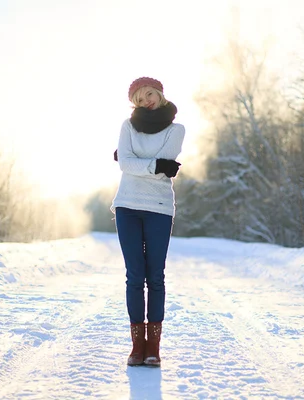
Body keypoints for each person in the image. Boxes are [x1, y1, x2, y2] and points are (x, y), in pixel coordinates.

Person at [111, 76, 185, 367]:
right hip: (127, 205)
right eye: (139, 99)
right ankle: (136, 346)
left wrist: (131, 160)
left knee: (155, 276)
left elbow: (135, 161)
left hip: (159, 207)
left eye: (149, 94)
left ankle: (153, 347)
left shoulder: (176, 129)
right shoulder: (127, 126)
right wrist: (155, 165)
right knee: (134, 275)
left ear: (160, 92)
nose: (146, 101)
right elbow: (148, 164)